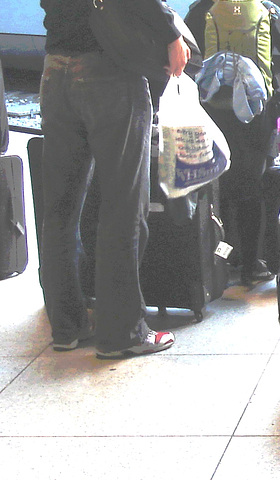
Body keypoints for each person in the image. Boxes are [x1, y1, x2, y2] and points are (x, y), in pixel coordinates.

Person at [39, 0, 190, 358]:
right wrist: (170, 32)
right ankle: (122, 332)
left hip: (54, 69)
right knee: (122, 205)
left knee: (59, 211)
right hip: (107, 72)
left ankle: (66, 327)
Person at [185, 0, 280, 285]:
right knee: (252, 185)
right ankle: (251, 264)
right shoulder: (267, 10)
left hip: (214, 108)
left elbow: (186, 49)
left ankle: (221, 257)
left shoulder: (202, 9)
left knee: (218, 182)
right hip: (255, 112)